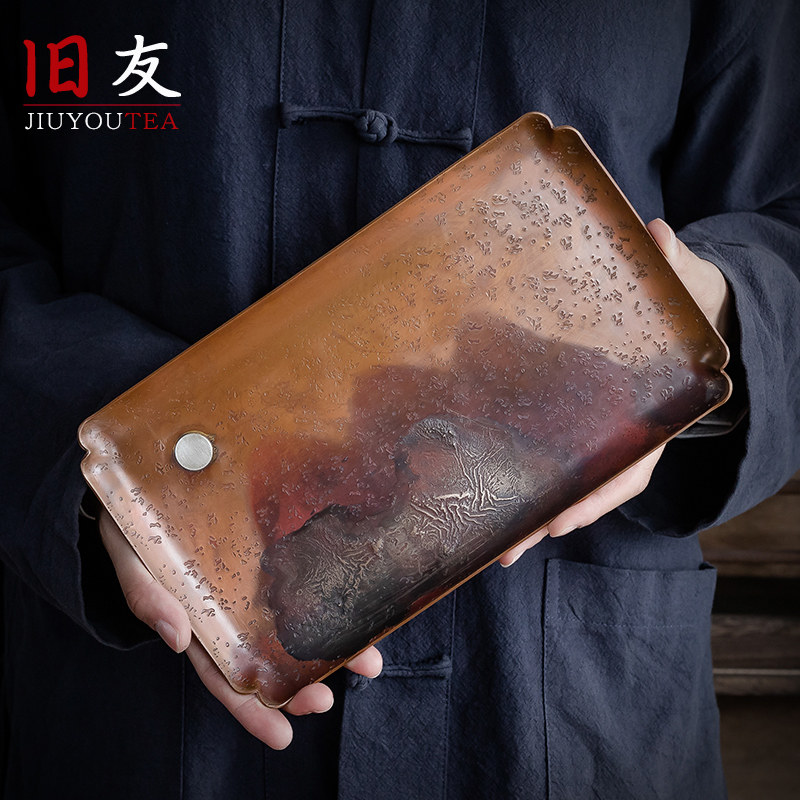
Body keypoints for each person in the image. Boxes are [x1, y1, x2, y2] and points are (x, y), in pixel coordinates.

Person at [1, 1, 798, 798]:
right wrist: (108, 455)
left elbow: (785, 215)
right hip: (149, 690)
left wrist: (710, 318)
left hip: (565, 702)